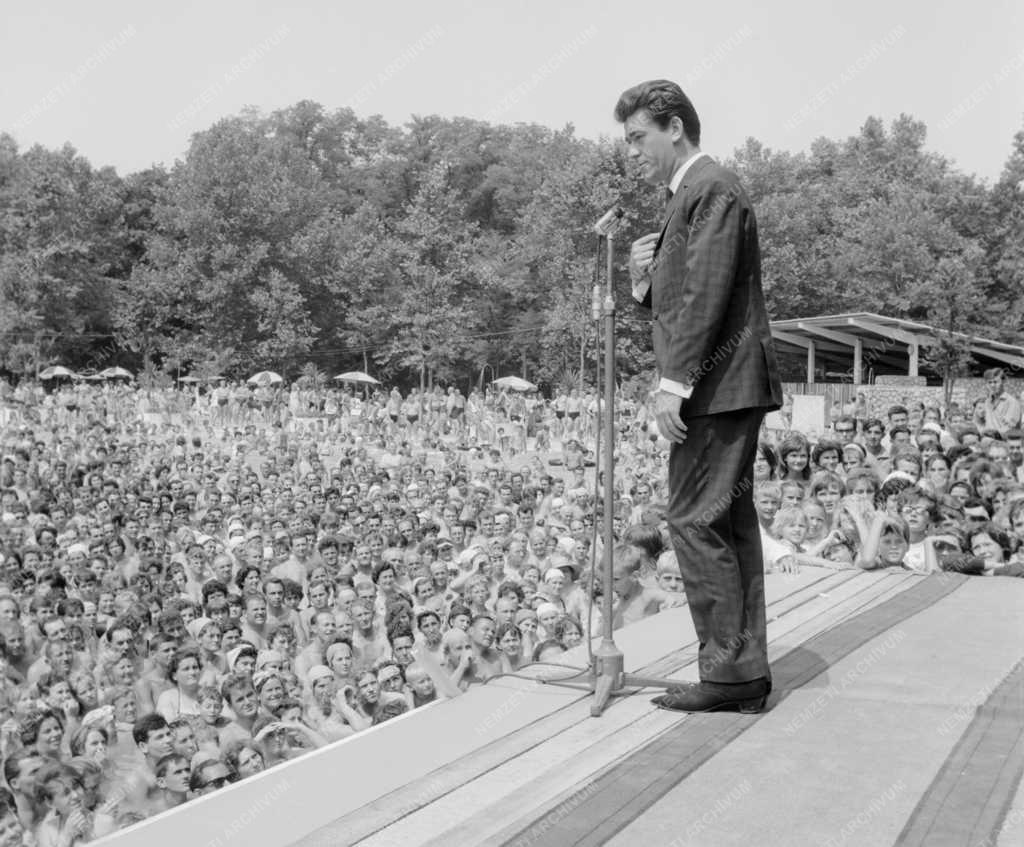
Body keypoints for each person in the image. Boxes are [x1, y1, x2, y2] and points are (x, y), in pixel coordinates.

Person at [621, 79, 781, 712]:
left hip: (717, 388)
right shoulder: (691, 192)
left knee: (691, 520)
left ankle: (728, 675)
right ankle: (742, 671)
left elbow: (706, 297)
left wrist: (672, 383)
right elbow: (685, 291)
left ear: (675, 128)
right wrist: (642, 282)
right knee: (729, 527)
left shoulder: (708, 187)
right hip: (725, 384)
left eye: (639, 138)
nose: (633, 152)